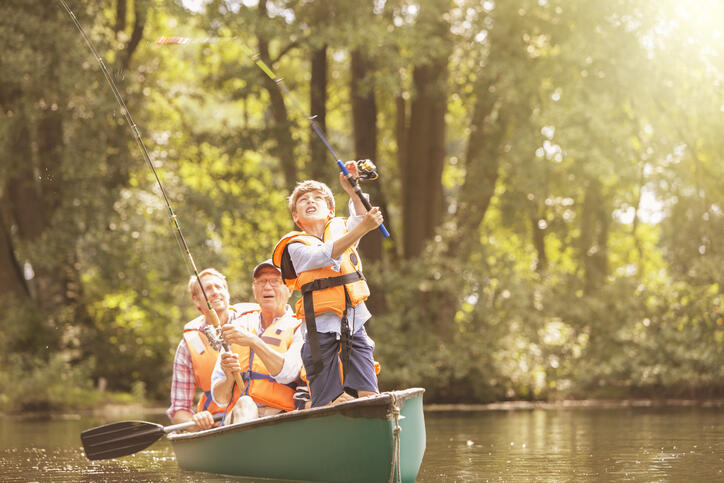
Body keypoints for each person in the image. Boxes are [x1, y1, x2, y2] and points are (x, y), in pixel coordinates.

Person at [272, 162, 384, 407]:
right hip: (318, 328)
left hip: (354, 320)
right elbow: (322, 255)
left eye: (317, 198)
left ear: (330, 210)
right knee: (326, 399)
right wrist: (364, 227)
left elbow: (358, 217)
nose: (310, 201)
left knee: (368, 391)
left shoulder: (342, 228)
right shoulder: (294, 246)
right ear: (296, 216)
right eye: (303, 200)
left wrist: (352, 189)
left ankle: (371, 414)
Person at [210, 260, 306, 423]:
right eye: (261, 282)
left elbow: (288, 374)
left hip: (282, 416)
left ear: (289, 289)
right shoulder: (237, 326)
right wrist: (228, 377)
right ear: (254, 289)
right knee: (246, 403)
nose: (267, 287)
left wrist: (254, 341)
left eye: (275, 281)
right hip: (239, 415)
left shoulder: (300, 327)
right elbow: (220, 398)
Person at [167, 268, 258, 431]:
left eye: (219, 287)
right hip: (217, 425)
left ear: (227, 292)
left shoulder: (253, 321)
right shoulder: (189, 344)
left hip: (260, 411)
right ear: (196, 301)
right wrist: (197, 421)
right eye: (208, 289)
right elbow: (179, 411)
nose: (215, 292)